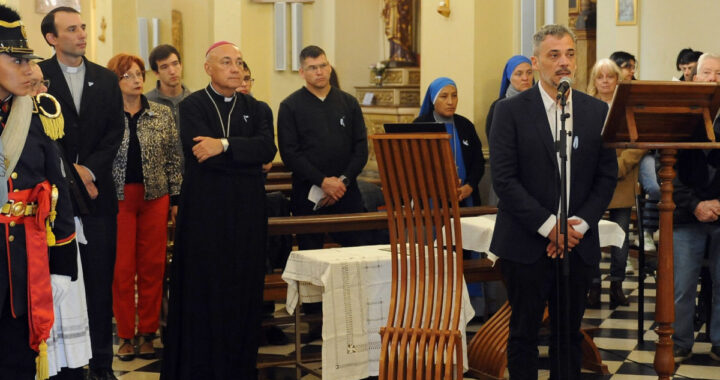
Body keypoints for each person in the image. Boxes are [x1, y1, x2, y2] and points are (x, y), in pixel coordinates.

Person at [489, 24, 617, 379]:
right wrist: (550, 227)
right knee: (524, 334)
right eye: (554, 55)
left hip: (577, 242)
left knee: (568, 334)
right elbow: (504, 180)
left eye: (570, 54)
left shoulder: (594, 111)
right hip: (527, 242)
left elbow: (606, 176)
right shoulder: (510, 111)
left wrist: (579, 225)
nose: (564, 63)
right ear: (536, 61)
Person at [160, 41, 276, 380]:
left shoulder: (258, 109)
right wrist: (244, 156)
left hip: (247, 214)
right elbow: (198, 151)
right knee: (204, 288)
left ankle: (238, 367)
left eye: (239, 62)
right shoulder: (192, 105)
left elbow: (267, 147)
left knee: (242, 289)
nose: (235, 68)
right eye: (226, 62)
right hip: (205, 214)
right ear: (208, 67)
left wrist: (223, 146)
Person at [39, 7, 125, 379]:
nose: (81, 34)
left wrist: (88, 170)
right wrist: (70, 173)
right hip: (53, 202)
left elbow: (114, 132)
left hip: (98, 199)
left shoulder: (106, 79)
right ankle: (62, 365)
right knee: (59, 285)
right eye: (71, 29)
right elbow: (37, 133)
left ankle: (103, 365)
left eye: (83, 27)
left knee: (99, 282)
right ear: (52, 38)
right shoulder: (38, 76)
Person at [0, 6, 78, 379]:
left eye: (28, 60)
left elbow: (58, 189)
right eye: (17, 61)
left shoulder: (37, 113)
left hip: (22, 268)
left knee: (17, 361)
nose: (30, 70)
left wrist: (62, 268)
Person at [106, 53, 182, 362]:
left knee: (153, 266)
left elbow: (174, 159)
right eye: (128, 75)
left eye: (139, 74)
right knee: (122, 269)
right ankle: (125, 334)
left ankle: (148, 332)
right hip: (118, 198)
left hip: (155, 197)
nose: (137, 80)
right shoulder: (106, 114)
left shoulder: (162, 114)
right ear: (116, 81)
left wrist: (175, 198)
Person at [29, 62, 93, 380]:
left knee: (64, 318)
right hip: (31, 241)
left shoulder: (48, 126)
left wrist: (63, 262)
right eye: (35, 85)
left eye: (44, 84)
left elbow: (60, 190)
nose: (42, 91)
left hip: (57, 243)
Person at [277, 45, 369, 250]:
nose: (319, 72)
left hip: (347, 192)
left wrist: (341, 182)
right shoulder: (290, 106)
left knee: (355, 253)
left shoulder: (348, 102)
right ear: (302, 72)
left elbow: (361, 148)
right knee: (311, 255)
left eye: (323, 65)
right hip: (309, 193)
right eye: (312, 68)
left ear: (329, 67)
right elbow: (290, 153)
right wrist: (322, 182)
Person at [671, 52, 720, 363]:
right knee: (682, 285)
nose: (712, 79)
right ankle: (679, 341)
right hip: (686, 212)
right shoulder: (678, 114)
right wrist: (695, 204)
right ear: (693, 76)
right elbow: (665, 169)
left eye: (718, 74)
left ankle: (719, 341)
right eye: (707, 73)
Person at [585, 58, 645, 308]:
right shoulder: (585, 107)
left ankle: (617, 285)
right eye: (601, 77)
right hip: (592, 181)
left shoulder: (627, 107)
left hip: (622, 177)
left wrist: (618, 167)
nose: (606, 81)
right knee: (592, 236)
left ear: (618, 80)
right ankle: (594, 285)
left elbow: (638, 143)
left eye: (611, 76)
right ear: (594, 81)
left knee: (620, 237)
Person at [414, 77, 485, 206]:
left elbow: (478, 161)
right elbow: (414, 165)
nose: (450, 102)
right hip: (432, 199)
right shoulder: (420, 125)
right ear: (433, 99)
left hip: (464, 195)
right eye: (444, 97)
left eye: (454, 96)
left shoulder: (466, 125)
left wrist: (470, 186)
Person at [485, 55, 534, 139]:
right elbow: (495, 141)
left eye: (529, 73)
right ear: (509, 77)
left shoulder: (541, 102)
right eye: (519, 74)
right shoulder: (499, 106)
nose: (525, 78)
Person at [145, 44, 191, 126]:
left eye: (175, 64)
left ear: (181, 65)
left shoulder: (194, 100)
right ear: (156, 73)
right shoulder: (146, 103)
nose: (172, 71)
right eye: (164, 67)